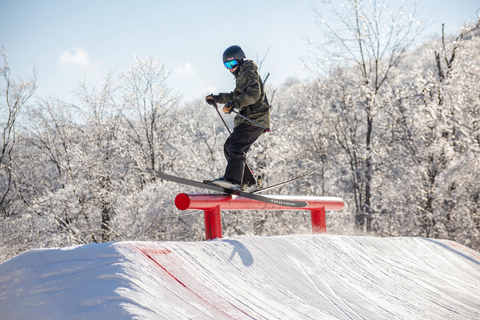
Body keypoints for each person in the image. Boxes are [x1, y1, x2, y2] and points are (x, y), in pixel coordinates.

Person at [206, 45, 270, 192]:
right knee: (229, 147)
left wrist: (234, 103)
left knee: (235, 146)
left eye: (232, 64)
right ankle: (249, 182)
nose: (230, 68)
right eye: (226, 65)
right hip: (248, 119)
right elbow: (235, 95)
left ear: (241, 61)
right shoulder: (242, 75)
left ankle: (233, 180)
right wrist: (217, 98)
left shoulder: (248, 73)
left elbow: (254, 94)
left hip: (255, 119)